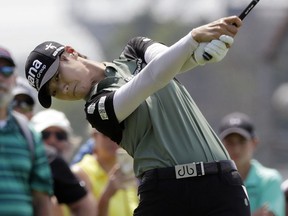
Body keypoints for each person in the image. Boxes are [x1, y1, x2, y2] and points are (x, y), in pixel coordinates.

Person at [25, 16, 251, 215]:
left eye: (57, 77)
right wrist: (192, 40)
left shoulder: (136, 50)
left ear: (70, 53)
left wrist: (202, 54)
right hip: (165, 194)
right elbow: (152, 77)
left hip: (220, 185)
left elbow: (173, 61)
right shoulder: (96, 109)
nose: (62, 89)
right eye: (54, 91)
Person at [0, 46, 53, 215]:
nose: (0, 76)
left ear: (15, 79)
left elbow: (42, 200)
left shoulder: (28, 134)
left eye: (6, 70)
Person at [30, 109, 97, 216]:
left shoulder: (80, 176)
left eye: (60, 135)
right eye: (44, 135)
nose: (52, 140)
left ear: (68, 142)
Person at [218, 112, 285, 216]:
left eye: (242, 141)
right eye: (229, 142)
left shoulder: (270, 179)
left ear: (254, 143)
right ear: (219, 145)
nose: (236, 148)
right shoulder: (215, 182)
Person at [71, 127, 138, 216]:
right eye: (107, 133)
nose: (113, 139)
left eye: (119, 134)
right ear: (94, 136)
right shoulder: (80, 172)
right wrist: (106, 196)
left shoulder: (129, 170)